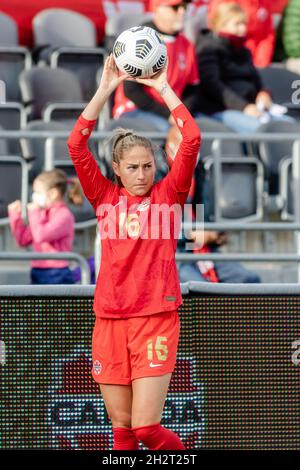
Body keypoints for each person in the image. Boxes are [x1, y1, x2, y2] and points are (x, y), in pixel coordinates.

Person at [67, 54, 201, 450]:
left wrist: (162, 88)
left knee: (146, 429)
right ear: (117, 169)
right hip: (109, 320)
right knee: (122, 431)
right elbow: (76, 143)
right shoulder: (104, 197)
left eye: (148, 166)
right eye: (134, 167)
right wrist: (106, 88)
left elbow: (191, 138)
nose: (143, 174)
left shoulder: (169, 196)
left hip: (155, 320)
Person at [166, 124, 261, 283]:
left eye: (195, 147)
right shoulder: (156, 175)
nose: (192, 153)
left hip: (203, 250)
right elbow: (155, 227)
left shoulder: (199, 171)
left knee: (249, 280)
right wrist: (191, 235)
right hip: (175, 253)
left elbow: (205, 210)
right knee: (200, 290)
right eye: (187, 147)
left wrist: (216, 232)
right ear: (170, 147)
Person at [195, 2, 292, 133]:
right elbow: (212, 85)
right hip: (220, 110)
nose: (242, 29)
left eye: (244, 24)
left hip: (251, 108)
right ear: (221, 25)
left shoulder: (244, 50)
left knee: (289, 124)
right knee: (261, 129)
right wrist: (243, 107)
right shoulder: (208, 48)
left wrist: (264, 93)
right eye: (237, 24)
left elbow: (256, 80)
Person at [112, 0, 199, 132]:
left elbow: (192, 88)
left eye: (184, 6)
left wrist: (181, 114)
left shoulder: (187, 44)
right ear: (157, 9)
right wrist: (169, 115)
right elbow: (131, 91)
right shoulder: (138, 40)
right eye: (175, 7)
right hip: (134, 109)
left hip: (171, 114)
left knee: (198, 129)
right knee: (171, 132)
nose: (182, 11)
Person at [8, 169, 83, 284]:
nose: (34, 196)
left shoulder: (64, 215)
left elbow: (40, 235)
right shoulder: (41, 214)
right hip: (37, 270)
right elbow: (23, 240)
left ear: (53, 193)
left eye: (37, 192)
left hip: (57, 273)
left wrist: (33, 211)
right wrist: (15, 217)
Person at [208, 0, 276, 67]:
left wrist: (261, 64)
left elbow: (266, 35)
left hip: (251, 60)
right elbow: (216, 26)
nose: (243, 28)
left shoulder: (264, 2)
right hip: (230, 56)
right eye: (239, 24)